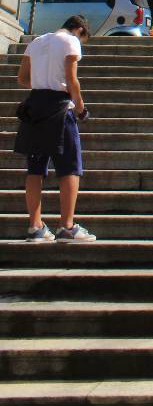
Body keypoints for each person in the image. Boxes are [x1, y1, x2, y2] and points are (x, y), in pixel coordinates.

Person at [14, 14, 95, 242]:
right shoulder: (71, 41)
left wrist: (42, 82)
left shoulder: (37, 42)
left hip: (35, 105)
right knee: (69, 166)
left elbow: (22, 78)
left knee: (35, 168)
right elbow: (72, 80)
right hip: (60, 107)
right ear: (78, 29)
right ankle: (67, 226)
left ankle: (35, 227)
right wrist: (80, 108)